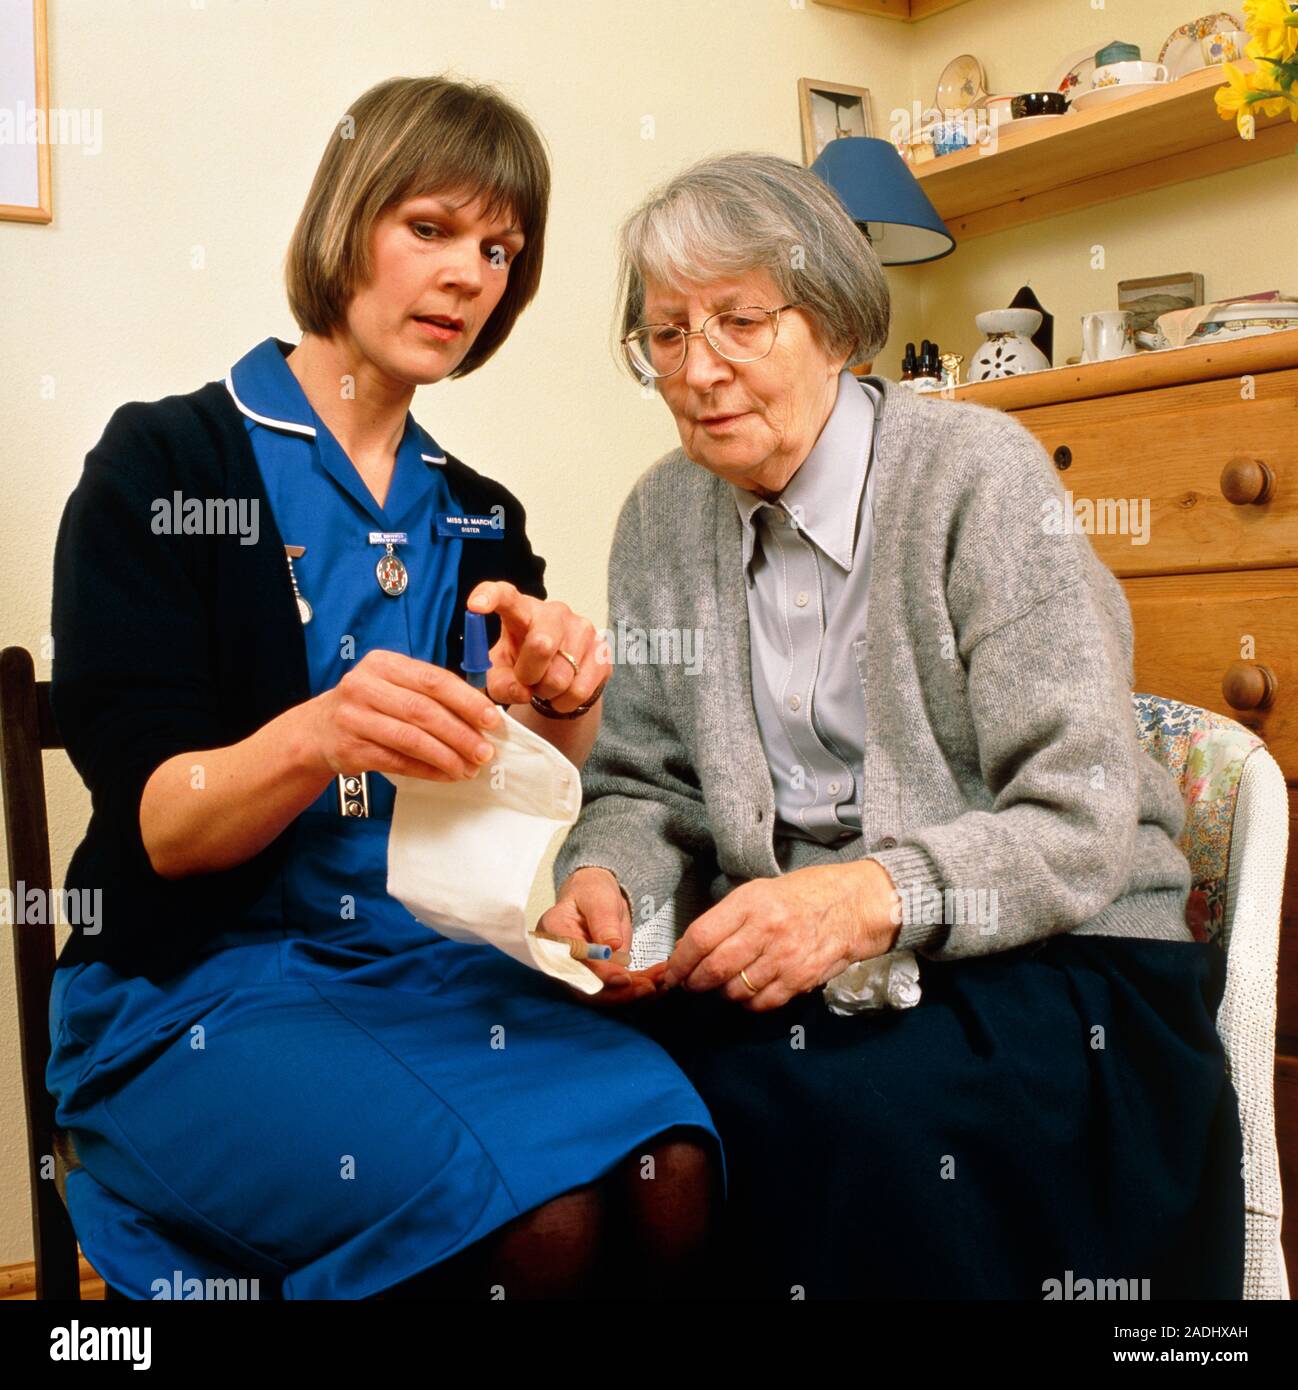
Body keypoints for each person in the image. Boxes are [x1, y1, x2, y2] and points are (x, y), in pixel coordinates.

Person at [45, 76, 720, 1302]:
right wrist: (311, 736)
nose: (468, 275)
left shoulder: (478, 513)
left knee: (668, 1168)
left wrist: (559, 699)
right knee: (541, 1222)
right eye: (429, 228)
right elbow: (162, 821)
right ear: (346, 223)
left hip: (428, 969)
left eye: (500, 250)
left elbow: (520, 788)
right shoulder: (164, 462)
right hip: (193, 993)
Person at [542, 151, 1245, 1300]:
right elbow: (645, 787)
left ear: (831, 323)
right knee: (595, 1107)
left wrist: (870, 897)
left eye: (736, 322)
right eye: (664, 335)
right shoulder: (660, 517)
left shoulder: (979, 478)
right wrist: (623, 892)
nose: (697, 369)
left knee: (839, 1122)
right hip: (804, 965)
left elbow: (1079, 816)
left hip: (1056, 960)